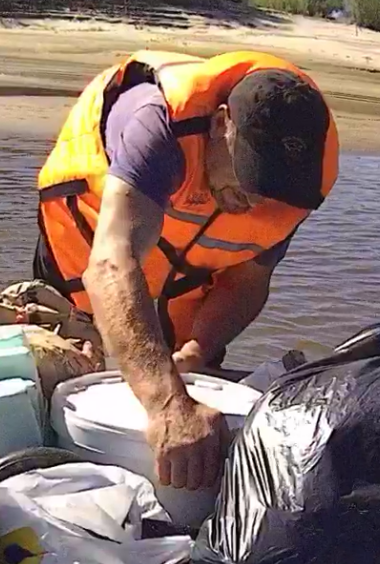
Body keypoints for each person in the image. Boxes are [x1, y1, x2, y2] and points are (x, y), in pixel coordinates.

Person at [33, 50, 339, 491]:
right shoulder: (156, 125)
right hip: (83, 270)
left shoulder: (300, 182)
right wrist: (167, 404)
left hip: (185, 289)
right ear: (219, 124)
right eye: (249, 175)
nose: (256, 202)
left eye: (272, 186)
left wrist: (197, 350)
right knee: (53, 389)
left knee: (195, 419)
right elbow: (111, 263)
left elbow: (248, 281)